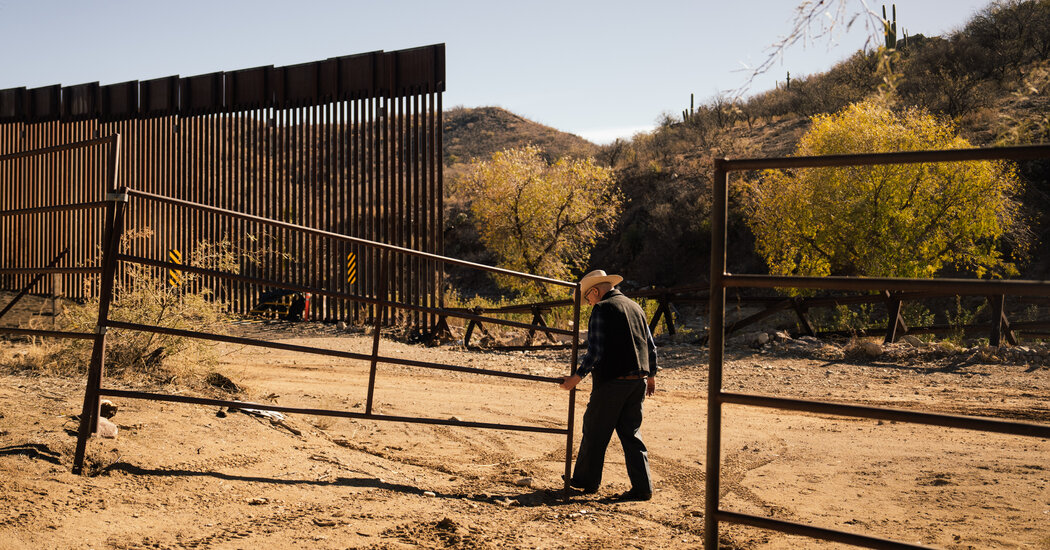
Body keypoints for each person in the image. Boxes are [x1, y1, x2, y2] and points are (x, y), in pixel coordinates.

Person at [560, 269, 657, 501]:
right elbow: (650, 345)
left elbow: (596, 351)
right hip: (638, 381)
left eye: (589, 297)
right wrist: (651, 375)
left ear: (595, 291)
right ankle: (643, 487)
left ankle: (585, 480)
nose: (589, 301)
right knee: (631, 433)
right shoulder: (636, 307)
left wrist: (576, 377)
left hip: (614, 380)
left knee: (595, 429)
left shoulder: (602, 309)